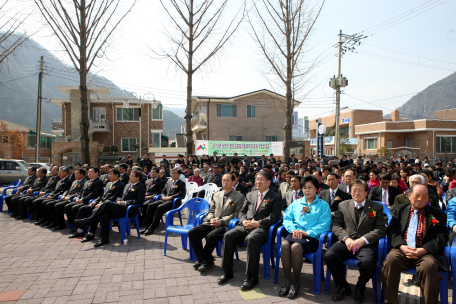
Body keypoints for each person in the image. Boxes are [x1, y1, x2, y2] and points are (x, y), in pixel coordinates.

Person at [381, 184, 449, 304]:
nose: (420, 199)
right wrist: (402, 246)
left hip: (426, 252)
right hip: (402, 249)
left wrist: (424, 250)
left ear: (428, 198)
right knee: (391, 261)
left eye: (424, 196)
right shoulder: (399, 210)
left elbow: (442, 236)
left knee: (428, 268)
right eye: (417, 195)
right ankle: (390, 301)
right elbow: (392, 231)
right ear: (409, 196)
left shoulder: (438, 214)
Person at [218, 169, 282, 290]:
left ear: (269, 182)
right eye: (257, 179)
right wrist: (243, 221)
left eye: (261, 179)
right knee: (228, 235)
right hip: (246, 225)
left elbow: (274, 216)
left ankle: (252, 277)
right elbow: (242, 212)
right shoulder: (250, 194)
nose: (258, 181)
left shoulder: (276, 197)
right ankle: (227, 271)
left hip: (262, 229)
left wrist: (258, 223)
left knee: (251, 239)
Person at [324, 179, 386, 303]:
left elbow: (380, 229)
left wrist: (363, 240)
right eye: (353, 191)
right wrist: (346, 239)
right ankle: (343, 286)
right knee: (329, 256)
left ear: (366, 192)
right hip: (347, 241)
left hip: (366, 244)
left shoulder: (376, 207)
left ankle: (360, 287)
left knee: (368, 263)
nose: (356, 193)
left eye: (360, 190)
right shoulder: (343, 205)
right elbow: (336, 225)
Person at [279, 175, 331, 299]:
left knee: (295, 247)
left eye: (310, 187)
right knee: (284, 244)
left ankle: (295, 283)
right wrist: (293, 230)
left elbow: (324, 225)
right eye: (304, 187)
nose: (307, 190)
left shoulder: (323, 205)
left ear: (317, 189)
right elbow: (286, 218)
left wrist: (307, 233)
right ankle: (287, 281)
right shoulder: (297, 203)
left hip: (312, 238)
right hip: (295, 234)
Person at [188, 173, 244, 272]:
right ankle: (205, 259)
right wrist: (211, 219)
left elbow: (236, 214)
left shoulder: (239, 197)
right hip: (213, 221)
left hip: (226, 225)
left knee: (211, 236)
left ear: (233, 182)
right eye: (223, 180)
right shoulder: (217, 194)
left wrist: (221, 221)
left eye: (227, 180)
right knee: (192, 233)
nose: (225, 182)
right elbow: (210, 210)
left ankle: (204, 259)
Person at [76, 170, 146, 247]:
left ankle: (90, 220)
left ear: (138, 178)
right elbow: (120, 196)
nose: (130, 177)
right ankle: (104, 239)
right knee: (104, 214)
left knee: (107, 203)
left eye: (132, 176)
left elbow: (139, 200)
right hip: (119, 207)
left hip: (128, 209)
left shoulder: (141, 186)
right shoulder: (127, 185)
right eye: (130, 175)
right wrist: (119, 200)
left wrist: (125, 202)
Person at [69, 168, 125, 238]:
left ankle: (90, 233)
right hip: (99, 203)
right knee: (82, 209)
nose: (108, 176)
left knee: (95, 211)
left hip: (108, 205)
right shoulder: (108, 184)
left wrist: (102, 203)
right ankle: (79, 230)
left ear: (116, 175)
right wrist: (95, 201)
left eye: (110, 174)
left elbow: (115, 197)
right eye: (108, 174)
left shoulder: (121, 185)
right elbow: (102, 195)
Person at [140, 168, 186, 235]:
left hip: (173, 201)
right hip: (164, 199)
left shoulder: (181, 183)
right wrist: (164, 196)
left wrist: (170, 197)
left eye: (175, 173)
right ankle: (147, 226)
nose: (173, 175)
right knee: (151, 205)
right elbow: (163, 191)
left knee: (160, 207)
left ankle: (152, 228)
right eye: (172, 173)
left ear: (179, 175)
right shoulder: (169, 182)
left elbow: (181, 194)